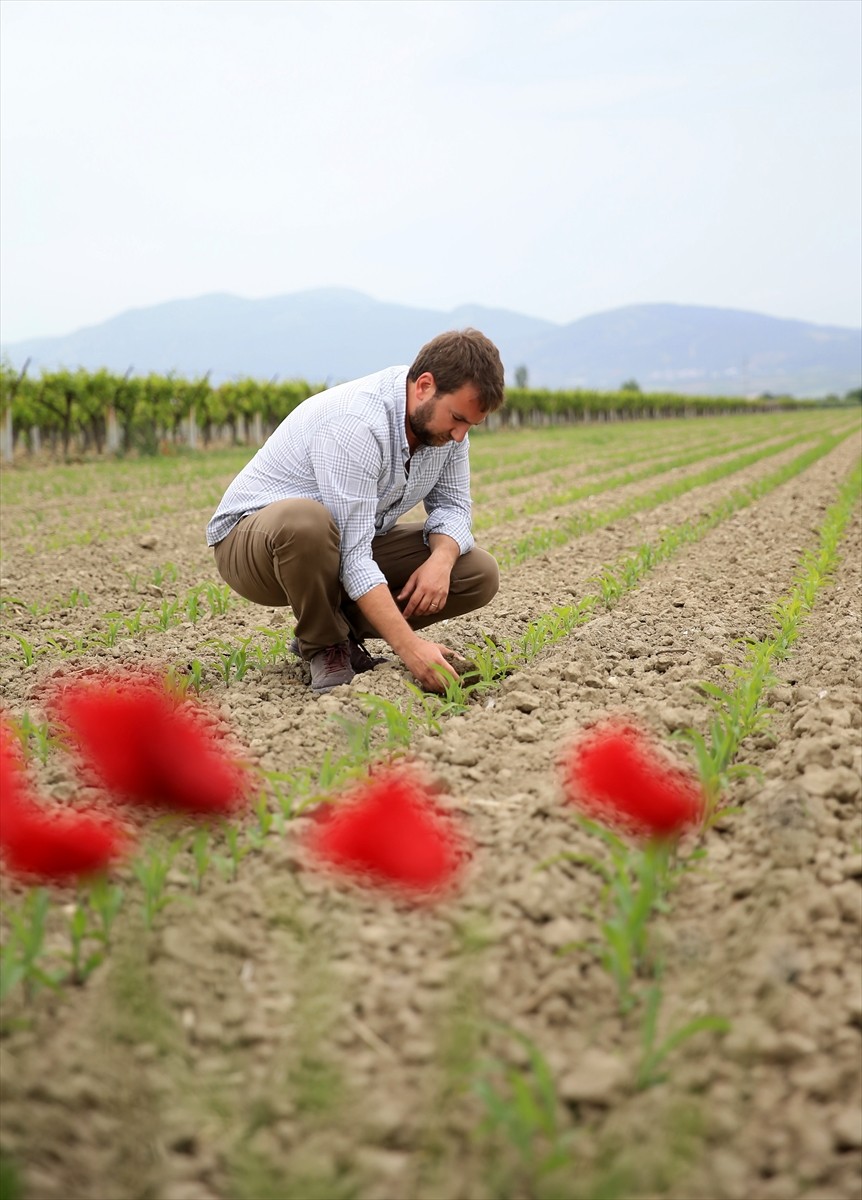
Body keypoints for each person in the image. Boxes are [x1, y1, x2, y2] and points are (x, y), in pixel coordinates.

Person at [206, 328, 505, 694]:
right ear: (424, 386)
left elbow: (454, 508)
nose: (460, 435)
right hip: (254, 546)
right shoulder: (358, 423)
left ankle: (338, 627)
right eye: (457, 418)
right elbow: (354, 558)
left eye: (470, 425)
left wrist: (441, 560)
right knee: (307, 522)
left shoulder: (447, 433)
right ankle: (326, 645)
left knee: (476, 572)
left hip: (340, 544)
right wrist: (410, 649)